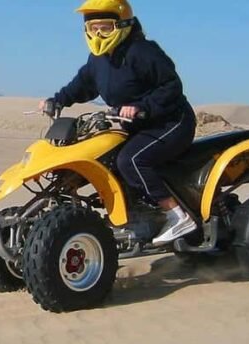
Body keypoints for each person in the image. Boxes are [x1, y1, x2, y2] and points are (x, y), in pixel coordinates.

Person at [40, 0, 197, 245]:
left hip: (171, 123)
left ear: (123, 25)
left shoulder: (142, 51)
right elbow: (82, 84)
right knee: (105, 158)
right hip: (139, 128)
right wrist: (58, 100)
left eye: (106, 28)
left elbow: (171, 86)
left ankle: (176, 215)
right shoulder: (98, 59)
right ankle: (132, 216)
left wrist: (142, 107)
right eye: (94, 29)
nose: (99, 34)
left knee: (131, 160)